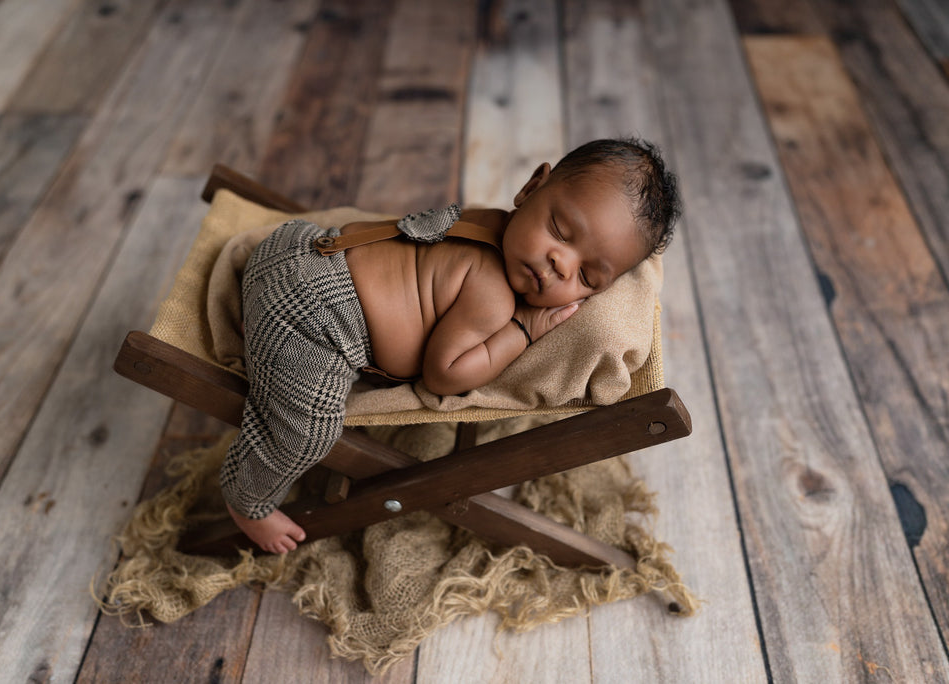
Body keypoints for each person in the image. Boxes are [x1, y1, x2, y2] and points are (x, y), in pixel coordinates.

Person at [220, 138, 681, 554]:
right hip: (315, 320)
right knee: (308, 432)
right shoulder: (494, 295)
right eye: (561, 231)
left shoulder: (487, 220)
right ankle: (248, 500)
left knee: (291, 362)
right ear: (530, 188)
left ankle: (261, 329)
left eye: (586, 277)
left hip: (296, 249)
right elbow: (444, 375)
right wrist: (521, 332)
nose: (561, 263)